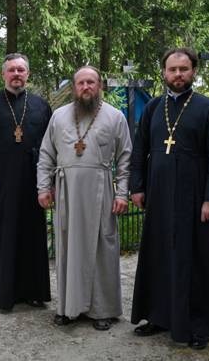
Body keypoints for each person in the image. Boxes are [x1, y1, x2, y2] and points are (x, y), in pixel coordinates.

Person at [129, 48, 209, 350]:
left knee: (194, 259)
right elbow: (139, 149)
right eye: (172, 70)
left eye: (183, 69)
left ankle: (197, 325)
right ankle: (158, 316)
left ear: (193, 72)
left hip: (194, 195)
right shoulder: (153, 107)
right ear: (163, 72)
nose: (177, 75)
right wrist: (137, 186)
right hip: (158, 195)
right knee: (158, 254)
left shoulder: (208, 108)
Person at [36, 65, 132, 331]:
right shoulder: (58, 116)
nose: (86, 87)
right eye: (81, 83)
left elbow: (126, 158)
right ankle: (68, 308)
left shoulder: (115, 117)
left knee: (102, 249)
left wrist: (122, 193)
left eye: (91, 82)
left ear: (99, 86)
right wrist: (43, 188)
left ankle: (103, 310)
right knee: (68, 249)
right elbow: (46, 155)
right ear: (74, 88)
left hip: (101, 191)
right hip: (66, 192)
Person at [0, 53, 52, 312]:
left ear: (27, 74)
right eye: (11, 70)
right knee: (7, 236)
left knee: (34, 235)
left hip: (35, 181)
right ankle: (6, 293)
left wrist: (49, 182)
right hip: (3, 181)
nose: (16, 74)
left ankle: (34, 292)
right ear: (3, 75)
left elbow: (52, 147)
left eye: (21, 70)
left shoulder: (42, 106)